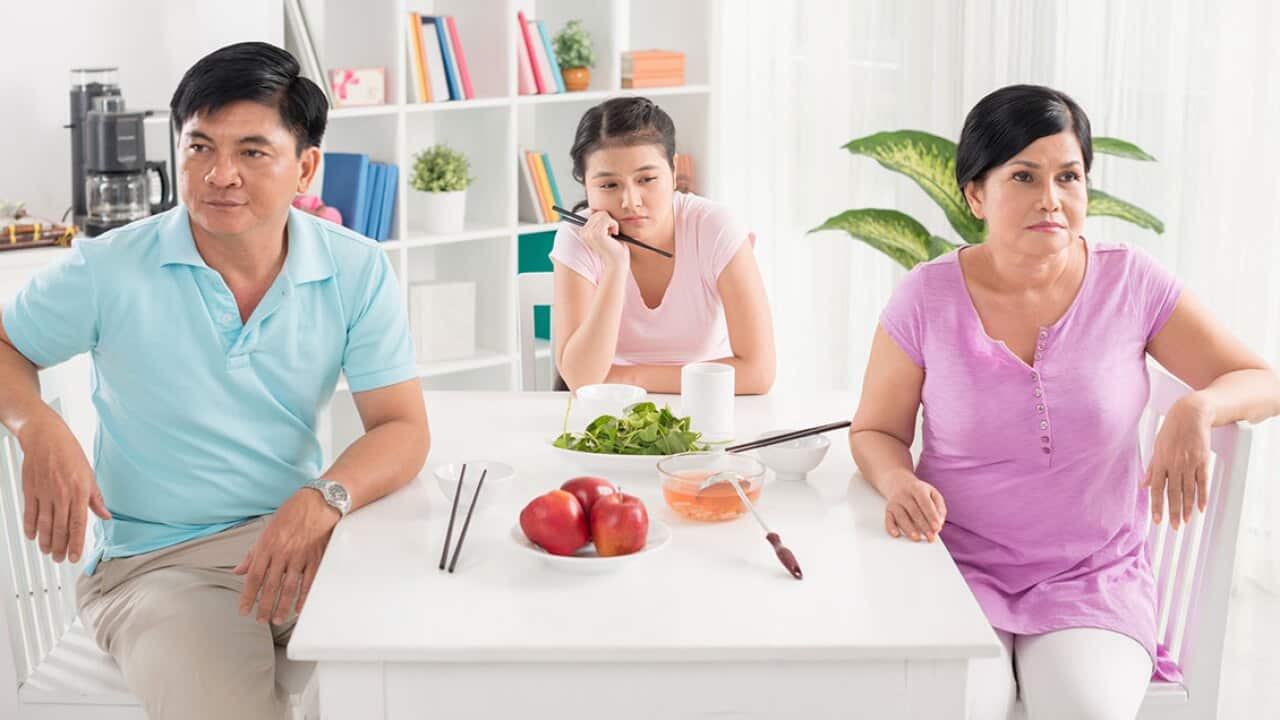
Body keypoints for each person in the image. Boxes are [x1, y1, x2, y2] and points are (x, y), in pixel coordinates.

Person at [0, 42, 430, 720]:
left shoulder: (356, 268)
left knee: (443, 661)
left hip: (305, 542)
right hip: (160, 568)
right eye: (199, 147)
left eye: (252, 152)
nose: (219, 175)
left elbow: (402, 427)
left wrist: (323, 499)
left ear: (305, 167)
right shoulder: (109, 267)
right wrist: (38, 425)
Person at [847, 84, 1280, 720]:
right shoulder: (926, 297)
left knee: (1084, 708)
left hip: (1094, 575)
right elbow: (875, 431)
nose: (1050, 198)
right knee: (959, 707)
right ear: (975, 194)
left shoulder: (1130, 281)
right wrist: (898, 481)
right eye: (1023, 176)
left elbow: (1262, 379)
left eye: (1068, 177)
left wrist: (1198, 408)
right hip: (955, 564)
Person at [550, 96, 776, 394]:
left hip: (705, 404)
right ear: (585, 185)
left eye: (646, 179)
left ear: (673, 170)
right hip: (613, 408)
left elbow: (759, 373)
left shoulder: (714, 227)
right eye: (608, 185)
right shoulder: (577, 236)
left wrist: (627, 379)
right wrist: (615, 267)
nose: (630, 201)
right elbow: (581, 379)